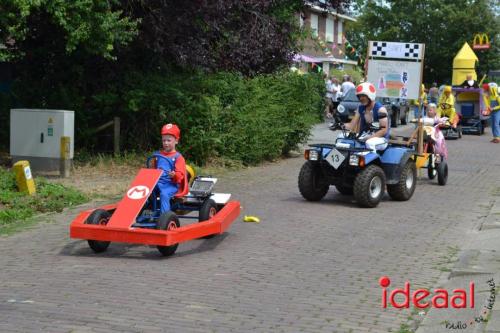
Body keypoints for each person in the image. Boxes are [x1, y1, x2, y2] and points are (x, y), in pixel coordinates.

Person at [342, 82, 390, 151]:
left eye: (363, 96)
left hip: (381, 139)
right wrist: (340, 125)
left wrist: (370, 137)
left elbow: (384, 130)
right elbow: (352, 125)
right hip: (364, 136)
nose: (361, 98)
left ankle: (371, 161)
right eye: (359, 96)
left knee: (369, 143)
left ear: (370, 95)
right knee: (341, 137)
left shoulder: (380, 110)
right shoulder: (360, 108)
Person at [154, 124, 186, 213]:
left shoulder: (178, 157)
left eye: (169, 140)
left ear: (176, 141)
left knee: (164, 194)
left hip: (171, 184)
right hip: (157, 183)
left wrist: (174, 175)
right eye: (164, 140)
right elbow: (152, 170)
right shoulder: (158, 155)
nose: (166, 143)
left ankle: (164, 217)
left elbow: (180, 175)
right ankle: (141, 214)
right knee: (145, 191)